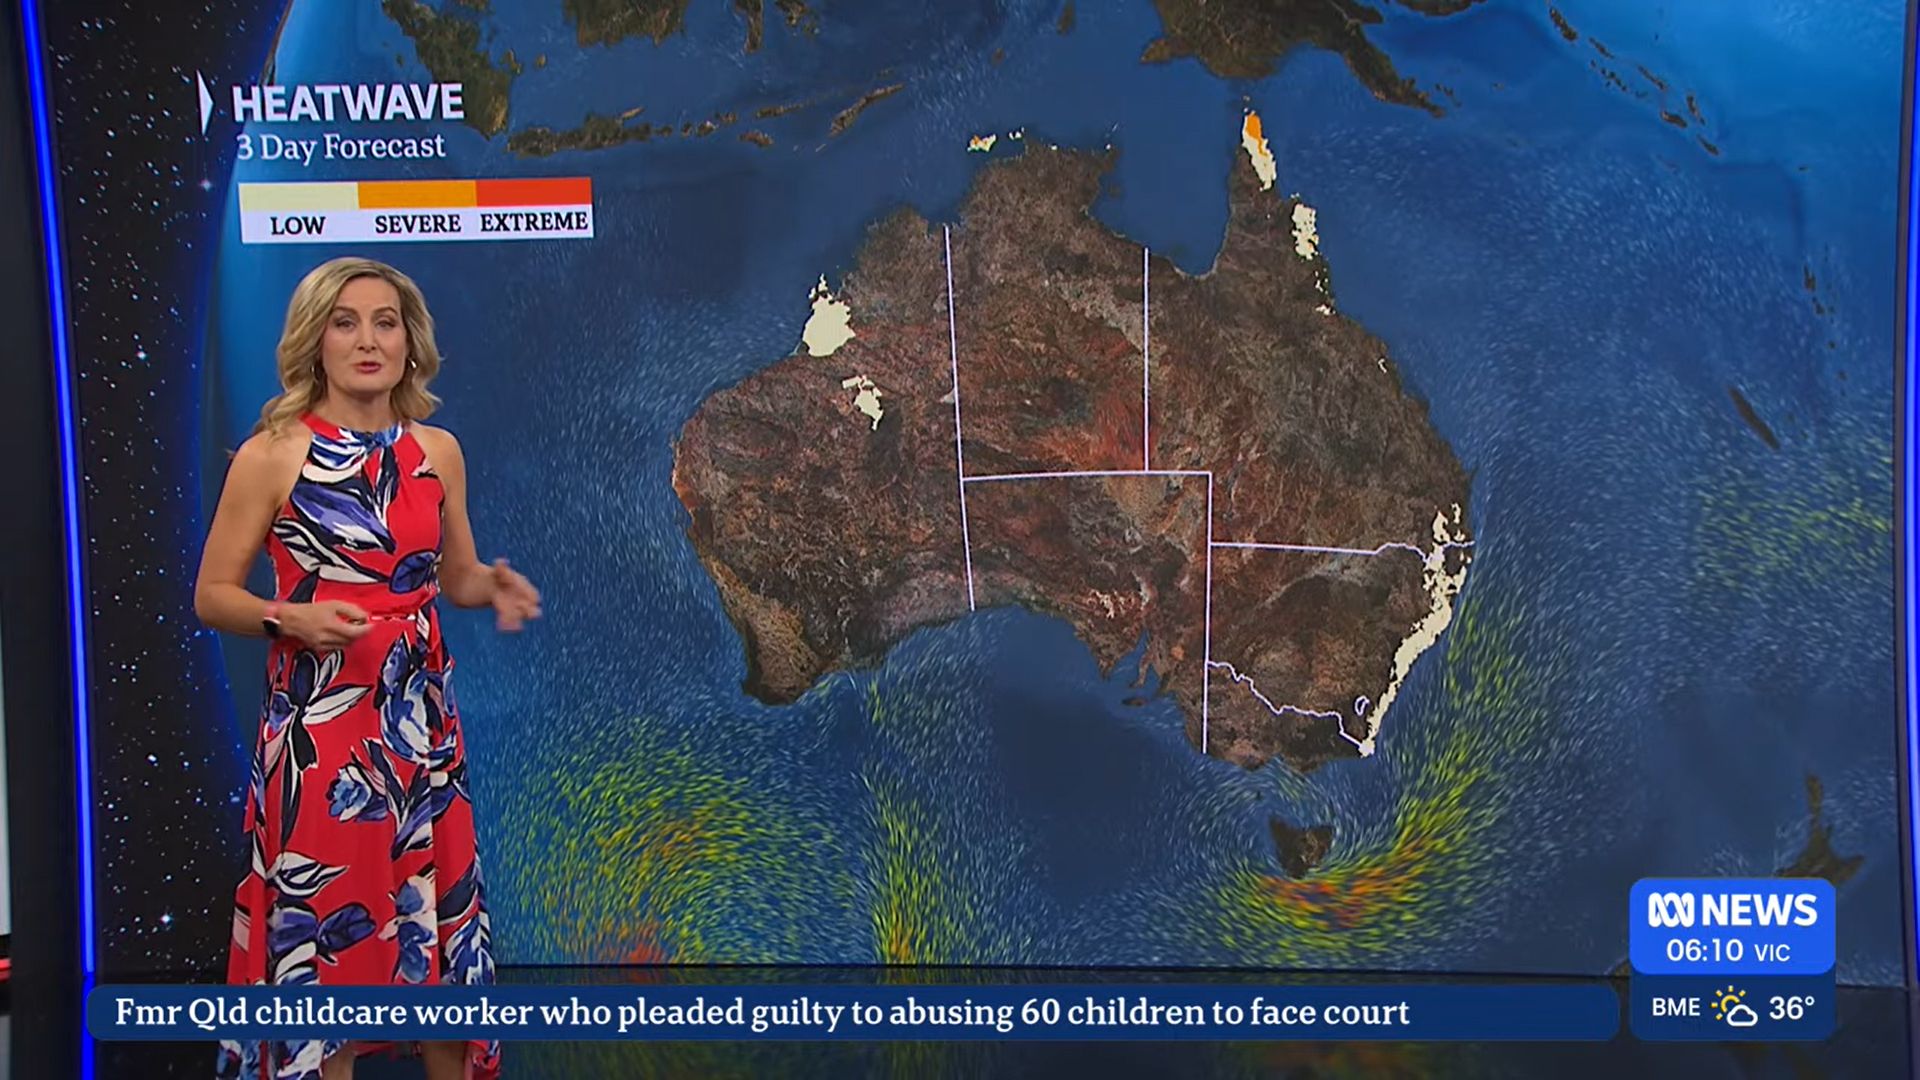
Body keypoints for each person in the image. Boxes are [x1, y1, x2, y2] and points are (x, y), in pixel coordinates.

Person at [194, 256, 540, 1080]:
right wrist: (291, 618)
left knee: (442, 947)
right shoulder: (273, 455)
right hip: (324, 734)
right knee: (334, 941)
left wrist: (489, 585)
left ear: (410, 342)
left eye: (385, 322)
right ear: (315, 342)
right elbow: (212, 595)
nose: (367, 340)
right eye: (345, 323)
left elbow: (451, 575)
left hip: (422, 729)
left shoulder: (437, 452)